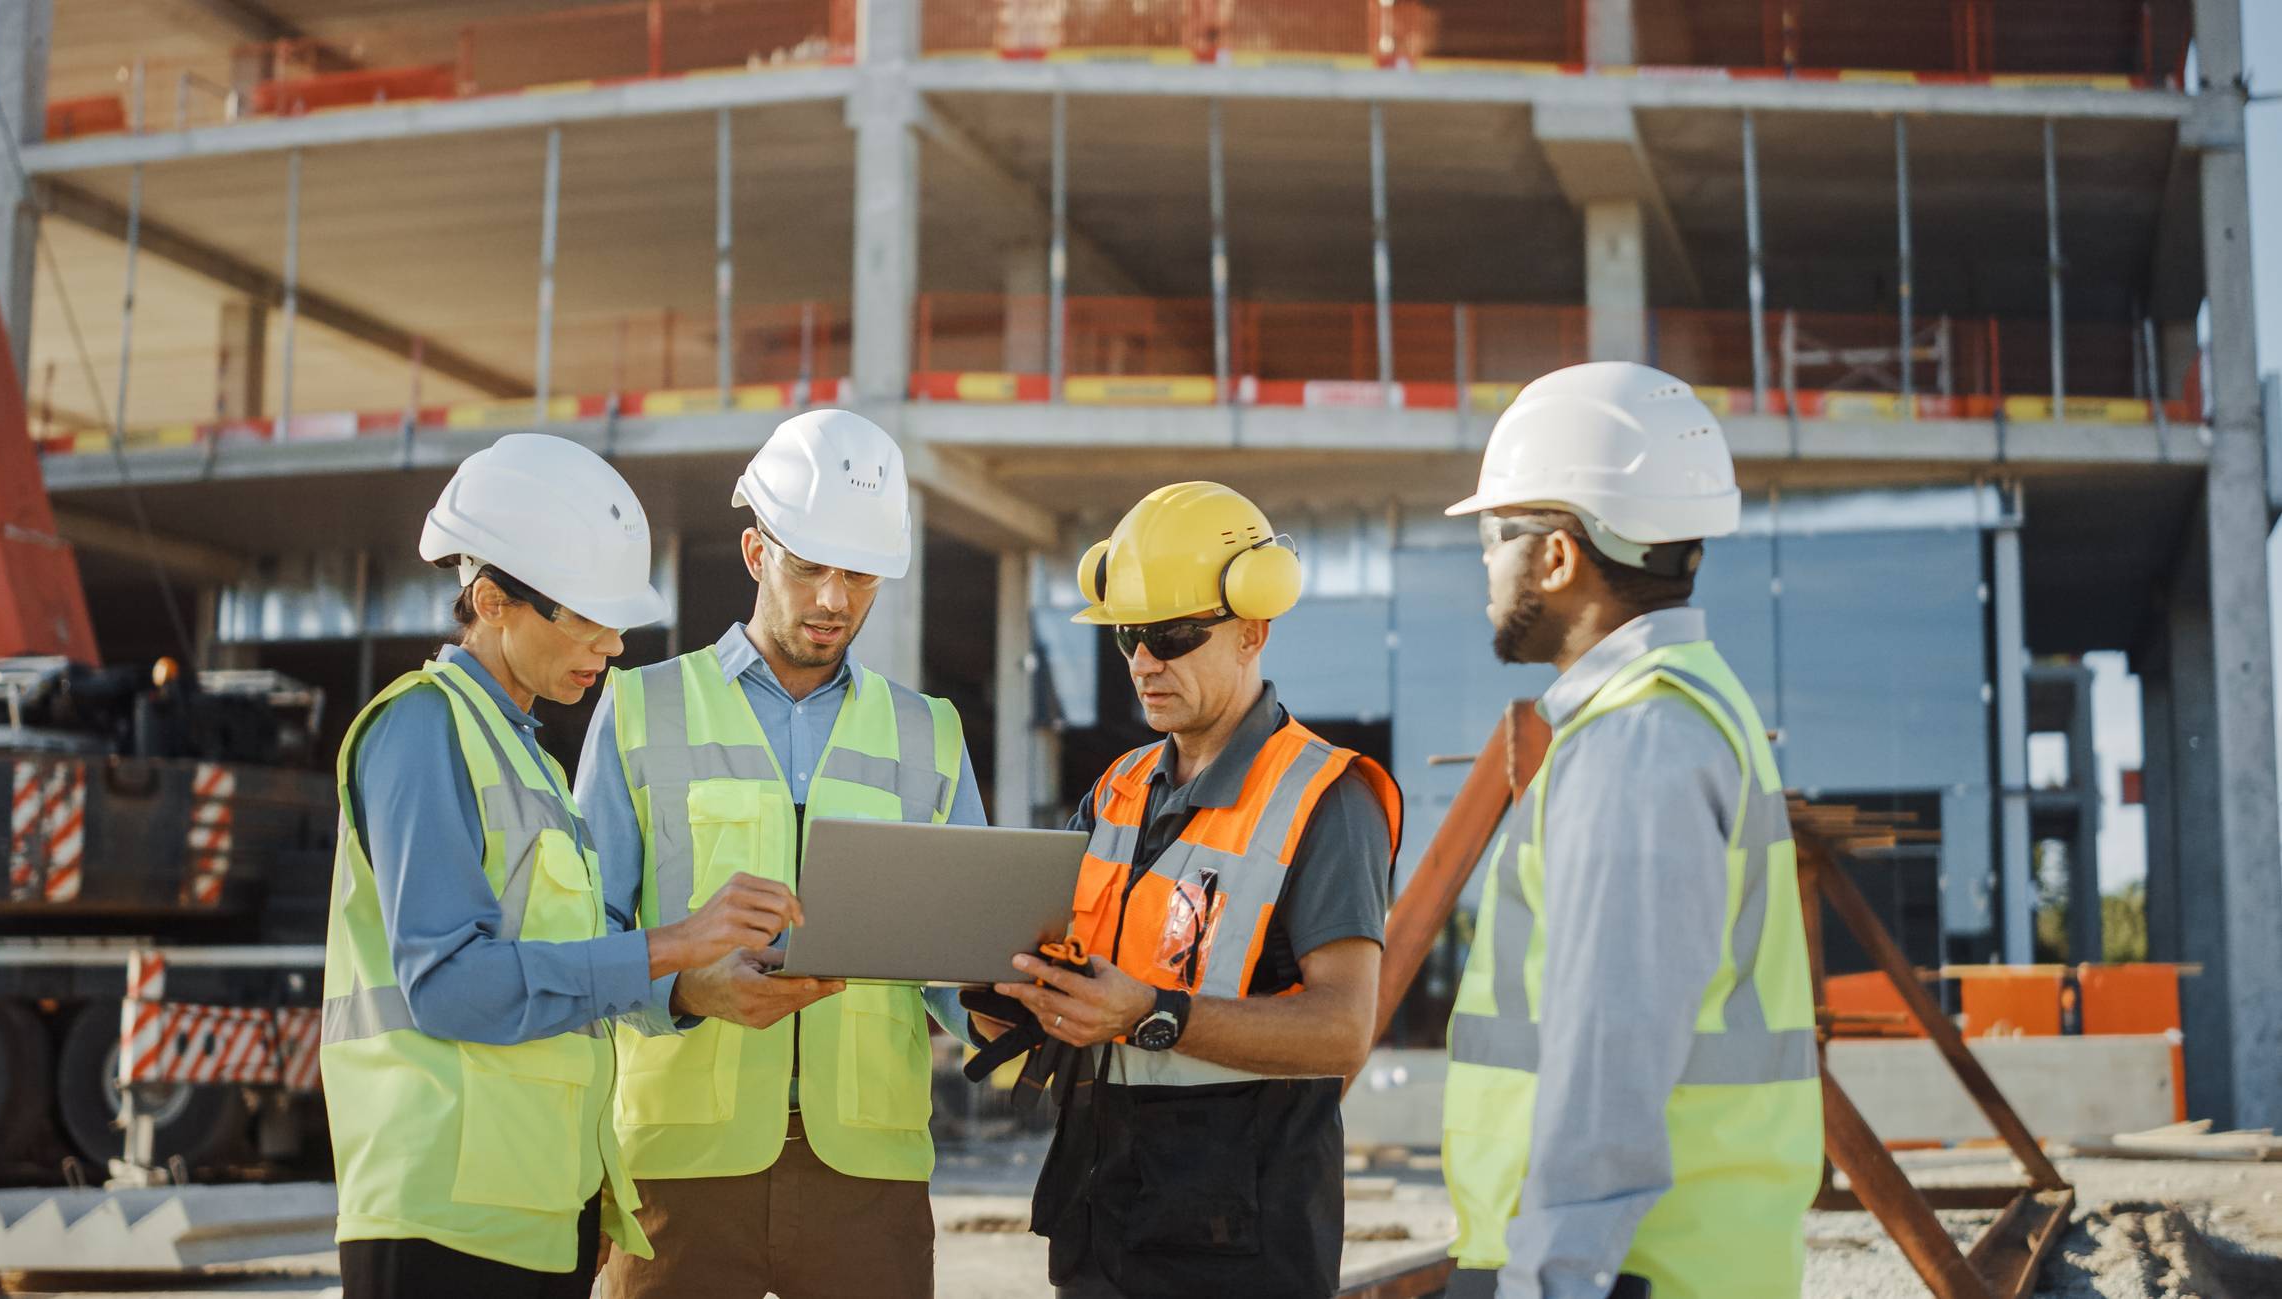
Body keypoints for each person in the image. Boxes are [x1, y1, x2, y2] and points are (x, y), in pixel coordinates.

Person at [321, 433, 805, 1299]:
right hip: (442, 1219)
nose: (611, 644)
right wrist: (675, 943)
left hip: (537, 1213)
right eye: (582, 616)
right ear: (491, 599)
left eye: (614, 619)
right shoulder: (422, 729)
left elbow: (567, 996)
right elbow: (448, 985)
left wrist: (691, 983)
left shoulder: (534, 761)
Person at [581, 409, 987, 1299]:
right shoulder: (642, 708)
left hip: (868, 1173)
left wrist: (1008, 1013)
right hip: (678, 1168)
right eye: (809, 567)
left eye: (860, 575)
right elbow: (584, 939)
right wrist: (686, 989)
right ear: (756, 551)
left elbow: (960, 966)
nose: (835, 600)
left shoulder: (932, 734)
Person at [1436, 362, 1822, 1299]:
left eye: (1496, 533)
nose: (1486, 562)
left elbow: (1608, 1053)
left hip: (1623, 1274)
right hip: (1677, 1263)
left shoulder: (1635, 742)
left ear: (1559, 556)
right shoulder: (1688, 707)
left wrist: (1549, 1279)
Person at [984, 481, 1402, 1299]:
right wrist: (1000, 988)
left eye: (1171, 635)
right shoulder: (1116, 789)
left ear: (1254, 630)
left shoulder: (1325, 798)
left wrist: (1151, 1014)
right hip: (1101, 1222)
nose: (1144, 661)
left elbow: (1342, 1029)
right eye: (1129, 636)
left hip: (1240, 1245)